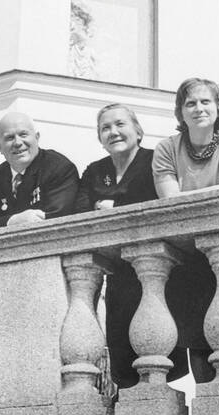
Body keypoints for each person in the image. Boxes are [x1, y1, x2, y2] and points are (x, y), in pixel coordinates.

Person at [152, 77, 219, 382]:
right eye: (190, 103)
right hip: (186, 257)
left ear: (218, 107)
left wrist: (190, 196)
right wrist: (215, 191)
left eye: (205, 101)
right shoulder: (167, 148)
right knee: (195, 341)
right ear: (180, 112)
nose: (198, 108)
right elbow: (169, 201)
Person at [75, 103, 157, 389]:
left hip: (151, 265)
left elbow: (156, 202)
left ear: (138, 130)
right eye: (105, 128)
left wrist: (114, 206)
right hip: (116, 270)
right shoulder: (96, 170)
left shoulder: (155, 160)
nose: (113, 132)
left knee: (152, 348)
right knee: (120, 347)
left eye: (120, 124)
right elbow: (82, 210)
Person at [0, 112, 79, 229]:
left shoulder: (59, 168)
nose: (17, 143)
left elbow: (58, 216)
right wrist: (12, 221)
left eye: (23, 134)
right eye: (9, 138)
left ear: (37, 137)